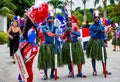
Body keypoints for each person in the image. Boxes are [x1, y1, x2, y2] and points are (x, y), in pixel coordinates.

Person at [37, 16, 63, 80]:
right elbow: (48, 33)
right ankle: (45, 75)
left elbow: (57, 31)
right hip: (45, 46)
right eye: (49, 19)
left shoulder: (55, 27)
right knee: (45, 60)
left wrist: (56, 33)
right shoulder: (44, 27)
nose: (51, 20)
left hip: (52, 45)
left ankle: (52, 74)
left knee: (54, 60)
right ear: (47, 20)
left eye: (52, 19)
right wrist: (54, 35)